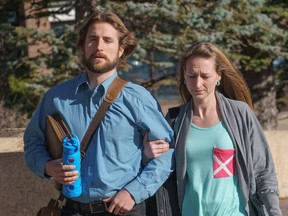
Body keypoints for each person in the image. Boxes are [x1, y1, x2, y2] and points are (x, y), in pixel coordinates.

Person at [24, 8, 175, 216]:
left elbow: (167, 154)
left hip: (123, 209)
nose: (99, 47)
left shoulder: (138, 98)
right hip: (71, 210)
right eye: (92, 39)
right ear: (83, 46)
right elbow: (33, 141)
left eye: (108, 40)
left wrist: (133, 192)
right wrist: (48, 166)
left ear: (121, 49)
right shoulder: (56, 98)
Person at [143, 42, 282, 215]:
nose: (198, 83)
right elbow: (158, 172)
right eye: (192, 76)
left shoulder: (240, 114)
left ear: (219, 76)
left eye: (205, 76)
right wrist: (147, 155)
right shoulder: (174, 121)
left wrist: (274, 212)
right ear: (184, 77)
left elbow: (264, 173)